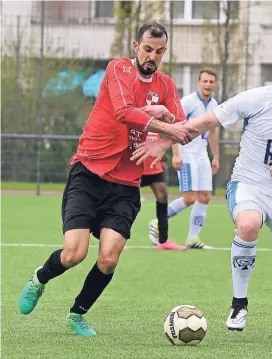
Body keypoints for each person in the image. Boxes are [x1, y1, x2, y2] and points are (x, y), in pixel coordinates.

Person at [132, 48, 272, 338]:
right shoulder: (256, 98)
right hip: (248, 184)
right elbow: (207, 121)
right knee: (248, 223)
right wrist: (166, 141)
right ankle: (239, 303)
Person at [18, 21, 196, 336]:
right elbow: (124, 112)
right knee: (75, 253)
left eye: (159, 51)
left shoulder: (166, 85)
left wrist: (163, 141)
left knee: (109, 257)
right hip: (89, 172)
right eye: (147, 49)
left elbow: (185, 127)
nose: (152, 56)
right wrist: (165, 125)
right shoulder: (118, 70)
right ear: (135, 46)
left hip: (126, 186)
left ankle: (77, 313)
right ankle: (40, 279)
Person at [149, 68, 220, 249]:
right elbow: (174, 126)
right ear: (199, 82)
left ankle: (192, 239)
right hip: (186, 154)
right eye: (205, 81)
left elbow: (213, 132)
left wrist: (216, 156)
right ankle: (158, 222)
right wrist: (176, 154)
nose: (208, 85)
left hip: (202, 155)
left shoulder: (215, 105)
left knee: (204, 196)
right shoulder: (188, 102)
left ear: (215, 84)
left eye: (211, 82)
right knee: (189, 198)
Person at [141, 132, 186, 250]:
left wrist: (164, 157)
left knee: (163, 195)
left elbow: (163, 137)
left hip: (154, 164)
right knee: (128, 202)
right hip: (136, 163)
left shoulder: (159, 118)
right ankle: (118, 238)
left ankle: (163, 240)